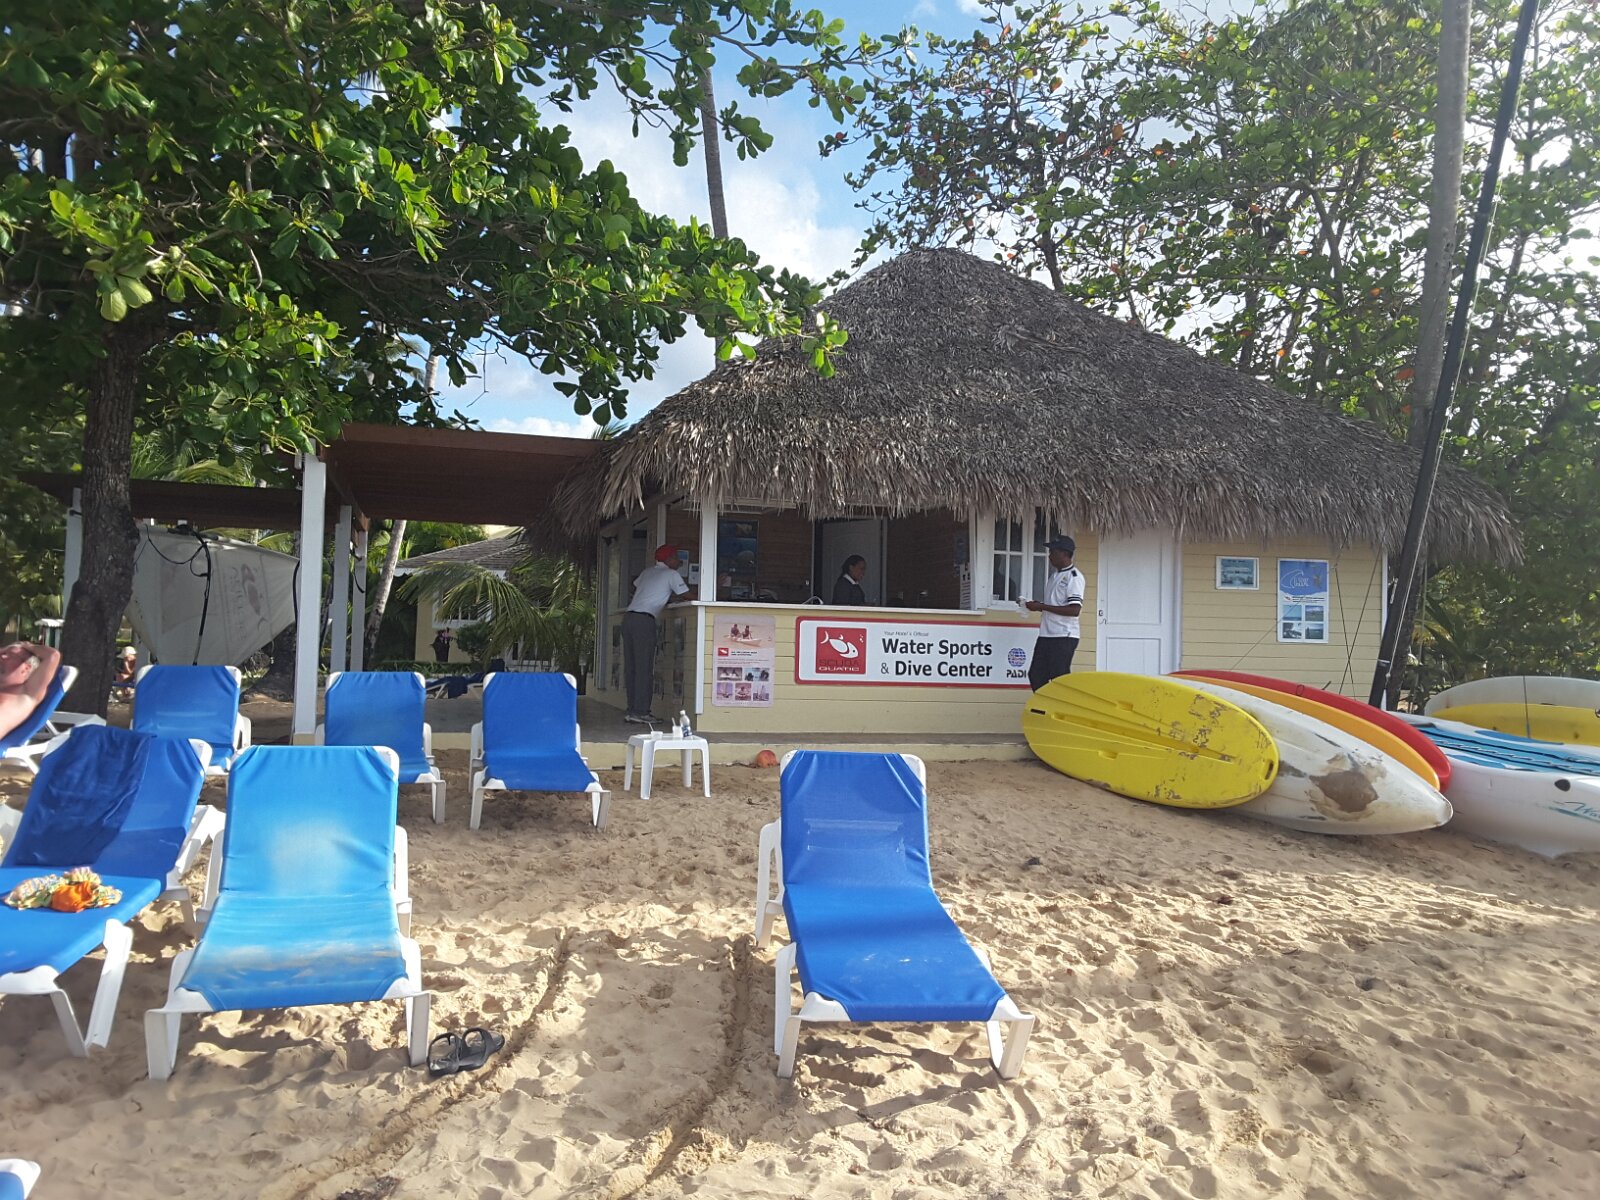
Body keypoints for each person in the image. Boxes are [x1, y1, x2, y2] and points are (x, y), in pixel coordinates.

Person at [622, 544, 692, 724]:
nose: (679, 561)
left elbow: (636, 586)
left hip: (629, 619)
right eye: (676, 557)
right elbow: (688, 595)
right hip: (644, 621)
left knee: (632, 668)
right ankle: (641, 712)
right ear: (668, 559)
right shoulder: (671, 574)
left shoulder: (647, 572)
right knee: (644, 668)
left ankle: (632, 710)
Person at [1025, 536, 1084, 690]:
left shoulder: (1074, 577)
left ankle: (1064, 705)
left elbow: (1074, 610)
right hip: (1047, 634)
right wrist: (1038, 605)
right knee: (1036, 675)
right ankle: (1046, 703)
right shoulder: (1054, 576)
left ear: (1064, 554)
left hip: (1064, 635)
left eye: (1053, 551)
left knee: (1059, 678)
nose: (1049, 555)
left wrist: (1042, 606)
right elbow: (1054, 604)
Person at [0, 640, 63, 741]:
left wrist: (29, 646)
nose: (2, 657)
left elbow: (53, 655)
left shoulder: (27, 694)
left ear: (26, 668)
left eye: (9, 655)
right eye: (2, 653)